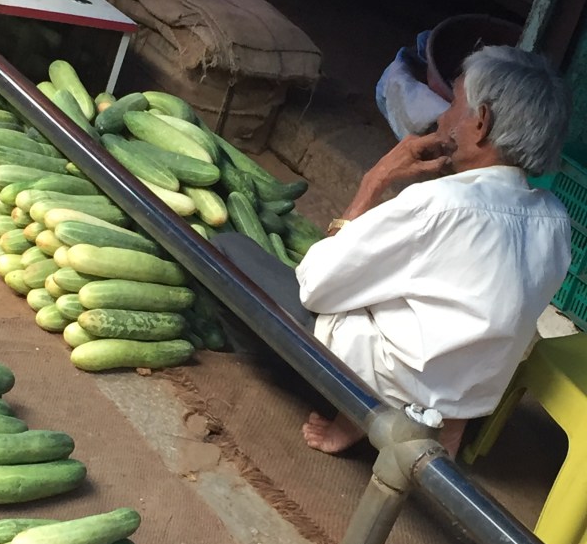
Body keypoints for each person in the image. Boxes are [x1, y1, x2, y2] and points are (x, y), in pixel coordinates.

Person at [215, 45, 572, 458]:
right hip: (464, 397)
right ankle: (447, 421)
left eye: (454, 105)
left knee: (226, 252)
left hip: (387, 381)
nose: (443, 119)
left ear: (481, 122)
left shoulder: (442, 204)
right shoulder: (555, 221)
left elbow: (314, 287)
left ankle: (357, 409)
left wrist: (374, 182)